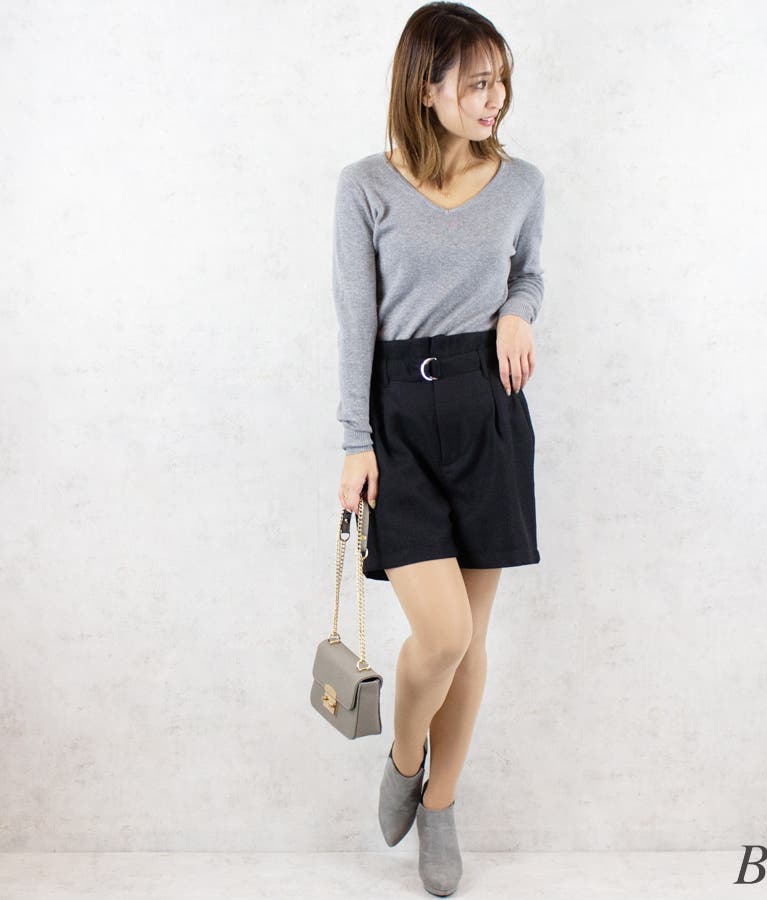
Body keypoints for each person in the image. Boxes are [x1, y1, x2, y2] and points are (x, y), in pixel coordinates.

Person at [331, 3, 545, 895]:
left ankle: (443, 806)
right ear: (428, 88)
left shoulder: (522, 182)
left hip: (489, 410)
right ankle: (407, 754)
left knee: (472, 637)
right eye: (478, 82)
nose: (495, 99)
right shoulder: (365, 187)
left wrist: (516, 312)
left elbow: (529, 273)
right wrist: (355, 440)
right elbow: (355, 318)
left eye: (501, 82)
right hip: (399, 421)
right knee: (443, 632)